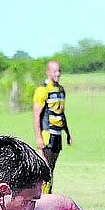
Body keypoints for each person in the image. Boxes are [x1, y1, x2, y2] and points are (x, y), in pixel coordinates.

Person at [32, 61, 70, 193]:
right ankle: (42, 197)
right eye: (54, 71)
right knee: (45, 169)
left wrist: (67, 133)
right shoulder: (42, 90)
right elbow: (36, 115)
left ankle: (48, 194)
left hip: (57, 135)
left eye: (59, 71)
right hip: (47, 135)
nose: (58, 74)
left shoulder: (60, 90)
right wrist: (38, 138)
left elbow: (61, 113)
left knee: (51, 169)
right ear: (48, 72)